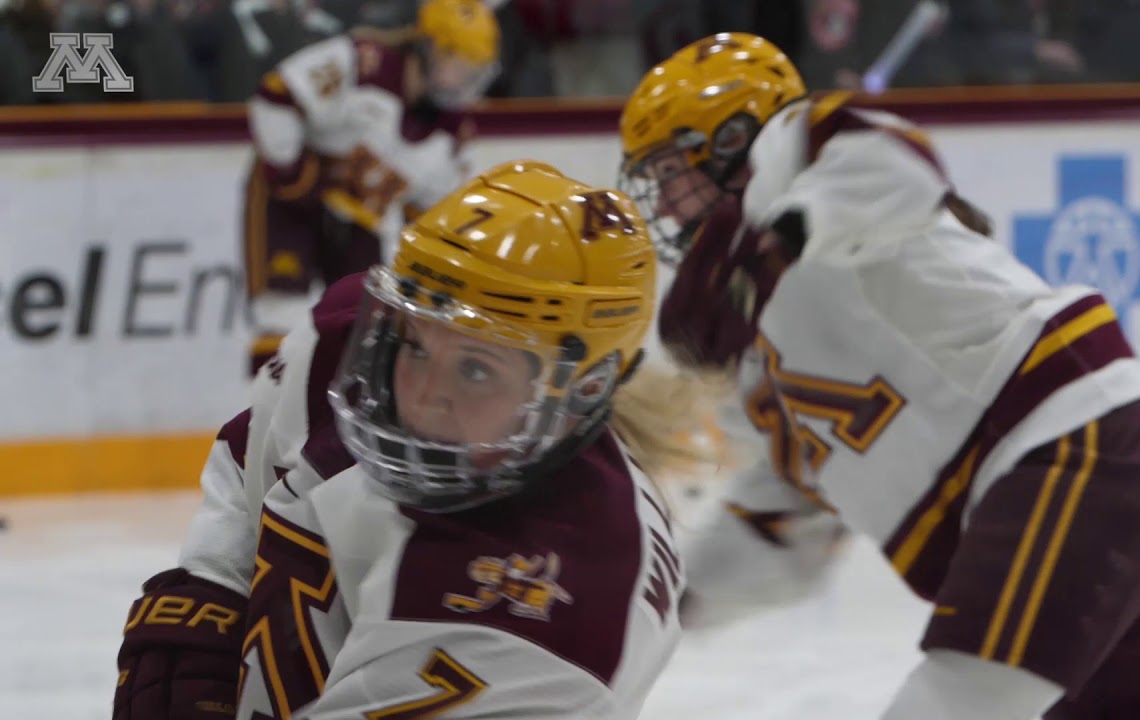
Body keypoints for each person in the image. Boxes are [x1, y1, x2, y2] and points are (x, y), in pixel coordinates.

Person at [618, 32, 1140, 720]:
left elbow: (893, 162)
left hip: (1071, 458)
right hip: (1057, 495)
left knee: (955, 703)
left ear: (728, 143)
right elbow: (780, 524)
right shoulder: (746, 342)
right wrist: (678, 600)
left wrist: (776, 242)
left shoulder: (796, 156)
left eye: (670, 174)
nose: (664, 207)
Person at [113, 160, 710, 720]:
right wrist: (215, 578)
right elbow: (251, 455)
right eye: (416, 345)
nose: (422, 397)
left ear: (583, 389)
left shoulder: (563, 622)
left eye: (475, 369)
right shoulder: (347, 348)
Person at [243, 0, 501, 376]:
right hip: (293, 205)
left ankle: (330, 411)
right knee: (280, 314)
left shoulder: (452, 133)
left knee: (362, 326)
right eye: (458, 67)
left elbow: (431, 216)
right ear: (427, 48)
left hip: (361, 220)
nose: (465, 83)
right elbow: (277, 95)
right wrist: (293, 176)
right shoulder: (362, 64)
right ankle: (264, 410)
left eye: (473, 73)